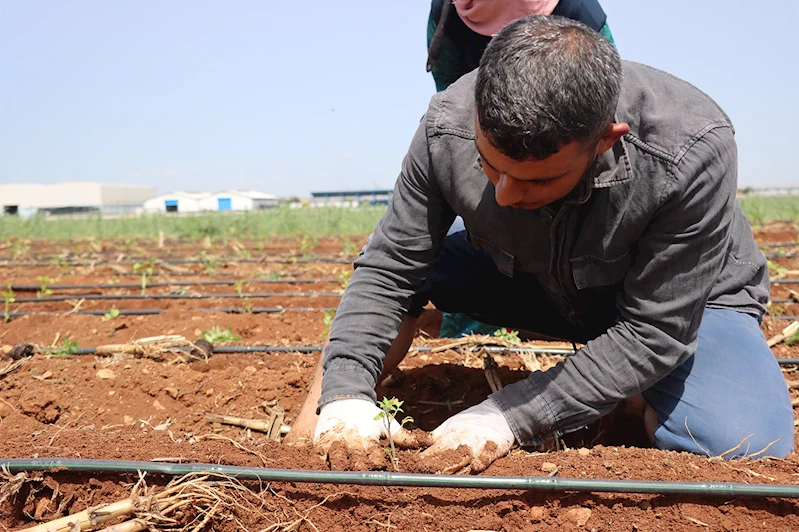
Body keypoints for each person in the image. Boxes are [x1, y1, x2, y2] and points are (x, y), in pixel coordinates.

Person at [287, 15, 795, 471]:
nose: (505, 195)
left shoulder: (688, 148)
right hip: (535, 279)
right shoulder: (447, 124)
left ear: (605, 141)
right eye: (491, 168)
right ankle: (331, 412)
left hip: (680, 304)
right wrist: (344, 393)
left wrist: (505, 416)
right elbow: (389, 269)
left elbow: (655, 330)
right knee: (413, 270)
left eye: (534, 181)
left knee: (745, 442)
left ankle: (633, 397)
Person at [428, 0, 616, 338]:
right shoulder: (448, 12)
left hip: (558, 154)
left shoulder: (577, 11)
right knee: (475, 227)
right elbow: (450, 101)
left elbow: (603, 106)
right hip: (488, 146)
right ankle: (471, 331)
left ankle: (569, 313)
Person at [427, 0, 614, 92]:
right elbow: (449, 87)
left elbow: (610, 84)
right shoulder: (447, 12)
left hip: (567, 124)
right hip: (479, 126)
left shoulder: (577, 8)